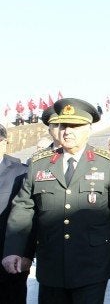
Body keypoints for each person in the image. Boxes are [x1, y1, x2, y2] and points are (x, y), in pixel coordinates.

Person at [2, 98, 110, 303]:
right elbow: (24, 208)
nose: (67, 131)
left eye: (75, 126)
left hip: (92, 264)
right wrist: (14, 251)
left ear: (88, 129)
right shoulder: (39, 164)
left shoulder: (106, 164)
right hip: (51, 264)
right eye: (63, 126)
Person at [0, 124, 30, 304]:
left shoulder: (21, 172)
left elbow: (27, 216)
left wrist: (26, 254)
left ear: (3, 142)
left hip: (8, 260)